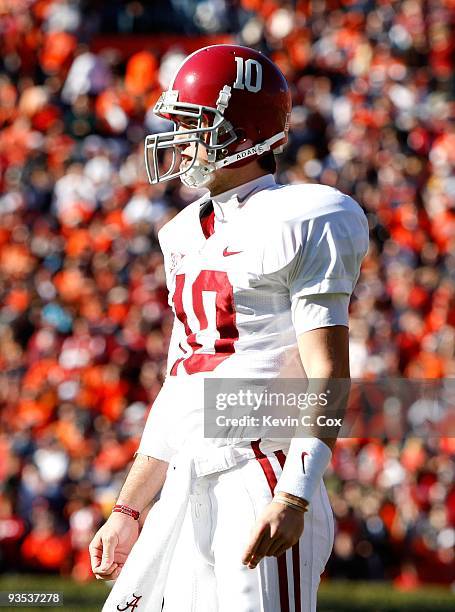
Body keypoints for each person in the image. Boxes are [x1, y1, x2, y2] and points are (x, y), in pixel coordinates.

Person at [89, 44, 369, 612]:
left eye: (194, 124)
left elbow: (328, 370)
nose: (181, 140)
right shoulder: (182, 232)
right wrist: (128, 510)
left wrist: (295, 493)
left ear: (240, 132)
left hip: (258, 470)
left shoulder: (310, 215)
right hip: (189, 480)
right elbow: (181, 383)